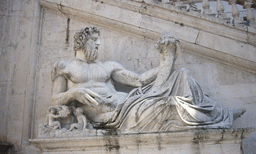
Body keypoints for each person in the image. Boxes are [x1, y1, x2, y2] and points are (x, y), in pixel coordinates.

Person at [51, 27, 245, 133]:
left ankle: (217, 114)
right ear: (82, 42)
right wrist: (74, 93)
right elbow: (55, 99)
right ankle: (218, 117)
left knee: (181, 74)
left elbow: (140, 81)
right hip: (111, 116)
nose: (99, 43)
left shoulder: (107, 66)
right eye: (95, 40)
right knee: (168, 105)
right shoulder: (64, 66)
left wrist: (166, 60)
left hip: (128, 103)